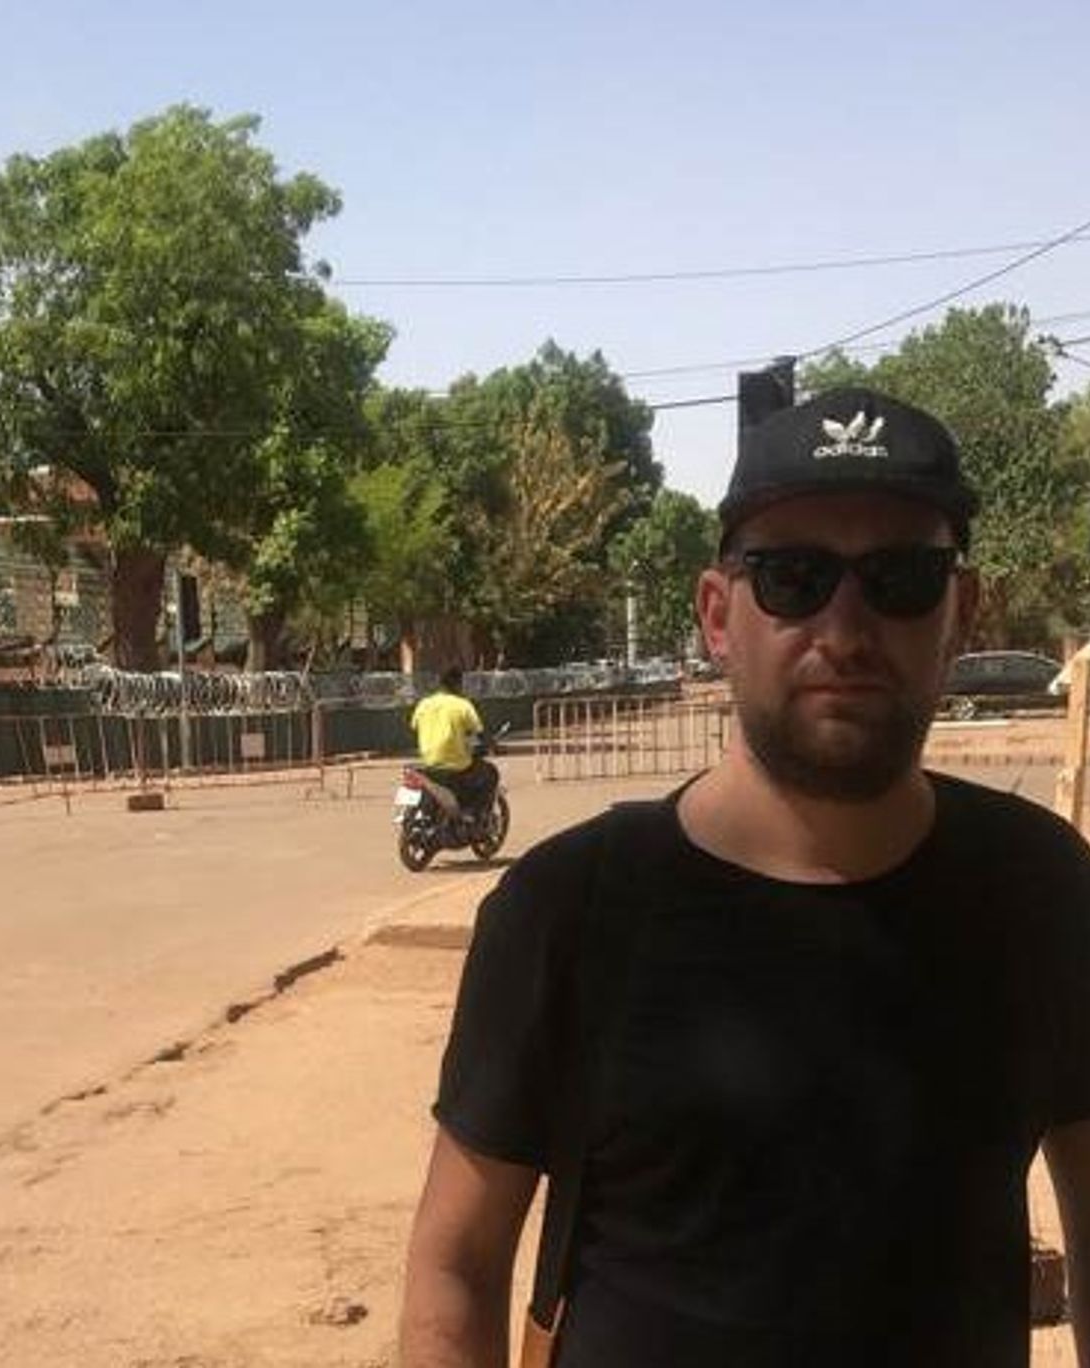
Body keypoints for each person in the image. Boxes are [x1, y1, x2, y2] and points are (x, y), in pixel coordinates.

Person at [399, 386, 1090, 1367]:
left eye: (899, 578)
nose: (843, 629)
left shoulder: (1041, 891)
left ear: (960, 611)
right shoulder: (569, 909)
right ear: (718, 616)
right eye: (792, 577)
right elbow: (456, 1266)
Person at [411, 665, 499, 815]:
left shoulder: (424, 704)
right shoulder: (463, 705)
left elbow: (414, 726)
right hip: (455, 764)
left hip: (428, 762)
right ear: (457, 683)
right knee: (490, 773)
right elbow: (479, 732)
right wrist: (491, 744)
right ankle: (475, 813)